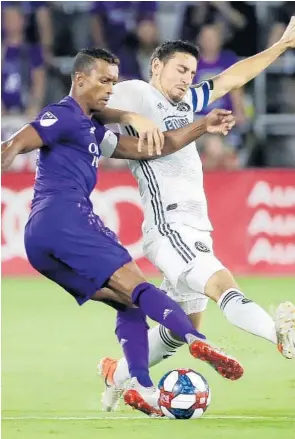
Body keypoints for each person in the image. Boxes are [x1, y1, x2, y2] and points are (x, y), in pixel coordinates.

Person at [1, 47, 240, 417]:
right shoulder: (61, 115)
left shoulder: (93, 130)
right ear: (80, 79)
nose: (110, 88)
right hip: (65, 217)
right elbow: (12, 146)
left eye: (114, 80)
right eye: (103, 80)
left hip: (39, 243)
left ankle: (142, 387)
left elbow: (156, 148)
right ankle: (197, 340)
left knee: (125, 300)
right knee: (139, 286)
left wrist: (201, 126)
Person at [97, 19, 295, 411]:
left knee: (180, 330)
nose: (187, 78)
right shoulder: (138, 93)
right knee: (223, 283)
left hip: (194, 228)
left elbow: (231, 78)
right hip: (169, 226)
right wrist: (129, 120)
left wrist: (282, 45)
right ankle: (279, 333)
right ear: (156, 67)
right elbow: (90, 103)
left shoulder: (186, 104)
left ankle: (115, 374)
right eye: (179, 69)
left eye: (191, 71)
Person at [1, 4, 46, 118]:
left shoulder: (33, 51)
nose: (9, 23)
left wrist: (34, 105)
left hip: (25, 111)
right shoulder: (2, 49)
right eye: (6, 19)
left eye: (13, 19)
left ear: (22, 21)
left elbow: (39, 83)